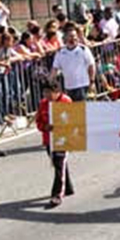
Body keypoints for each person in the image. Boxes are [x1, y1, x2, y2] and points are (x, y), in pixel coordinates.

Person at [35, 80, 74, 208]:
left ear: (57, 92)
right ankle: (68, 187)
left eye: (49, 92)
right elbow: (38, 121)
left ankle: (57, 194)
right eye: (44, 92)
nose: (46, 95)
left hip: (63, 139)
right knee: (60, 164)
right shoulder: (43, 104)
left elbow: (73, 120)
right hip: (48, 139)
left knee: (59, 164)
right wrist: (45, 127)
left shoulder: (66, 101)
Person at [50, 27, 96, 102]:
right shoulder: (60, 52)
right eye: (71, 36)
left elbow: (91, 65)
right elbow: (55, 68)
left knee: (82, 109)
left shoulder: (83, 50)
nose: (73, 38)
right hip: (68, 86)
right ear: (65, 38)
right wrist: (51, 80)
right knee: (72, 110)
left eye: (75, 36)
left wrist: (92, 81)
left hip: (82, 85)